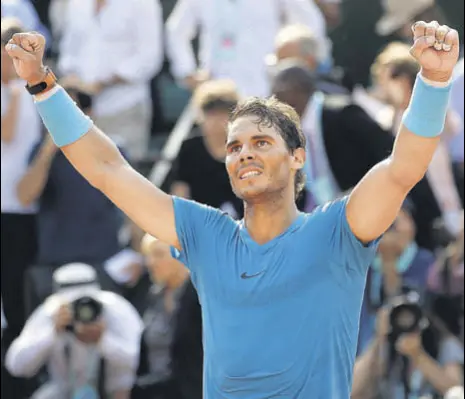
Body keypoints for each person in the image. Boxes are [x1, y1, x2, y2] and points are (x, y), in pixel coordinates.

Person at [5, 21, 461, 398]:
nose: (244, 154)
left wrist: (434, 82)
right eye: (234, 146)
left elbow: (403, 168)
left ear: (297, 156)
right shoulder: (206, 234)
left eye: (261, 142)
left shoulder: (339, 230)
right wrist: (43, 86)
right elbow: (108, 170)